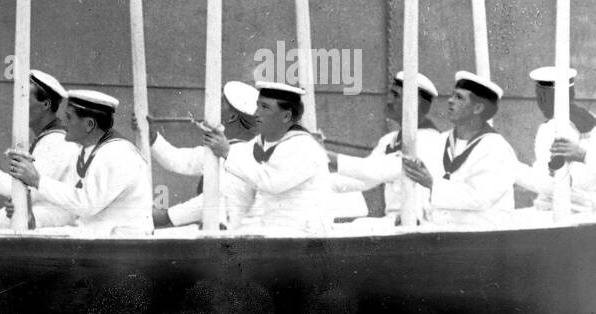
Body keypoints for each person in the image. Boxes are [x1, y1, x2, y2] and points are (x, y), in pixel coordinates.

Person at [6, 88, 152, 236]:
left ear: (89, 125)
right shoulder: (89, 150)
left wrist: (37, 180)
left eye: (69, 117)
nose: (64, 122)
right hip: (99, 236)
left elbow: (85, 204)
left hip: (124, 243)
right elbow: (73, 207)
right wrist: (30, 215)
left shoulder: (116, 154)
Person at [0, 68, 80, 229]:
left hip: (53, 223)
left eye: (24, 99)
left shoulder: (59, 142)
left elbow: (26, 190)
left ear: (45, 105)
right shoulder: (47, 138)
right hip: (39, 216)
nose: (18, 105)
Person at [200, 81, 331, 235]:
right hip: (274, 236)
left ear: (286, 116)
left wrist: (227, 152)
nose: (256, 113)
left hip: (306, 239)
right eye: (258, 106)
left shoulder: (303, 145)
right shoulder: (266, 142)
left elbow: (271, 182)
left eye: (265, 108)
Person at [402, 70, 518, 229]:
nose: (450, 101)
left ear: (477, 108)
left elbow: (480, 198)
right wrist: (414, 215)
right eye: (452, 95)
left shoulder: (496, 148)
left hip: (486, 238)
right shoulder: (441, 140)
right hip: (442, 233)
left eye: (459, 97)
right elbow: (422, 191)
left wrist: (432, 183)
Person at [329, 70, 444, 222]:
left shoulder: (429, 140)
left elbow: (377, 171)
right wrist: (317, 180)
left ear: (413, 103)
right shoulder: (390, 140)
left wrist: (325, 156)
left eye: (396, 96)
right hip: (395, 220)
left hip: (420, 224)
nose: (389, 101)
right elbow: (362, 179)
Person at [145, 80, 259, 228]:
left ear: (231, 117)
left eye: (221, 102)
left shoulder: (249, 155)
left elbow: (214, 200)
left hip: (236, 239)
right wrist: (151, 135)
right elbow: (177, 160)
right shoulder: (222, 148)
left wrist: (167, 216)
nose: (215, 105)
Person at [513, 66, 596, 214]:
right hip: (589, 210)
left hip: (560, 213)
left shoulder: (551, 129)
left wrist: (511, 169)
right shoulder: (592, 120)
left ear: (543, 98)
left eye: (539, 95)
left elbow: (553, 185)